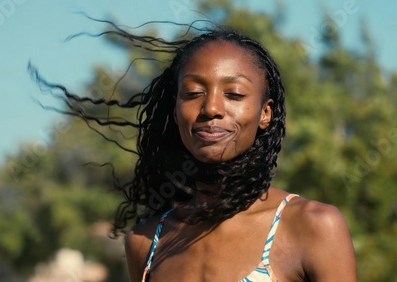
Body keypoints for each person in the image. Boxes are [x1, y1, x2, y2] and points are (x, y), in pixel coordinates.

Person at [34, 22, 356, 281]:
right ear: (175, 111)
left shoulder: (312, 226)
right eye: (193, 92)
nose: (212, 107)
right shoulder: (146, 243)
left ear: (265, 113)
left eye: (234, 93)